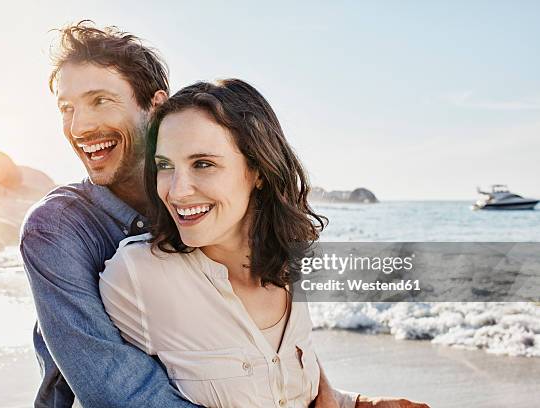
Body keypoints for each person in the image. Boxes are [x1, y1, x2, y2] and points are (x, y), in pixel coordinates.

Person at [21, 21, 429, 408]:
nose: (79, 126)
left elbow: (253, 347)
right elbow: (120, 391)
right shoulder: (60, 231)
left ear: (156, 106)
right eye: (66, 108)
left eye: (100, 101)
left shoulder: (228, 224)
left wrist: (337, 399)